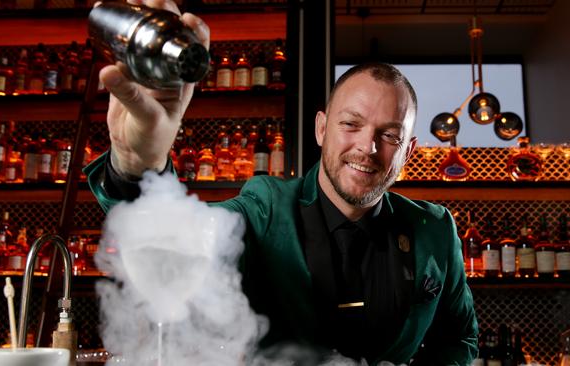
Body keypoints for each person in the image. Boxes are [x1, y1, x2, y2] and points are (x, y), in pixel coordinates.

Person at [84, 1, 478, 364]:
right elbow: (176, 242)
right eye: (350, 124)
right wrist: (139, 165)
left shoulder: (435, 229)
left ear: (407, 150)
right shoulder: (265, 207)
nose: (368, 147)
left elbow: (460, 339)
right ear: (322, 128)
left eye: (389, 135)